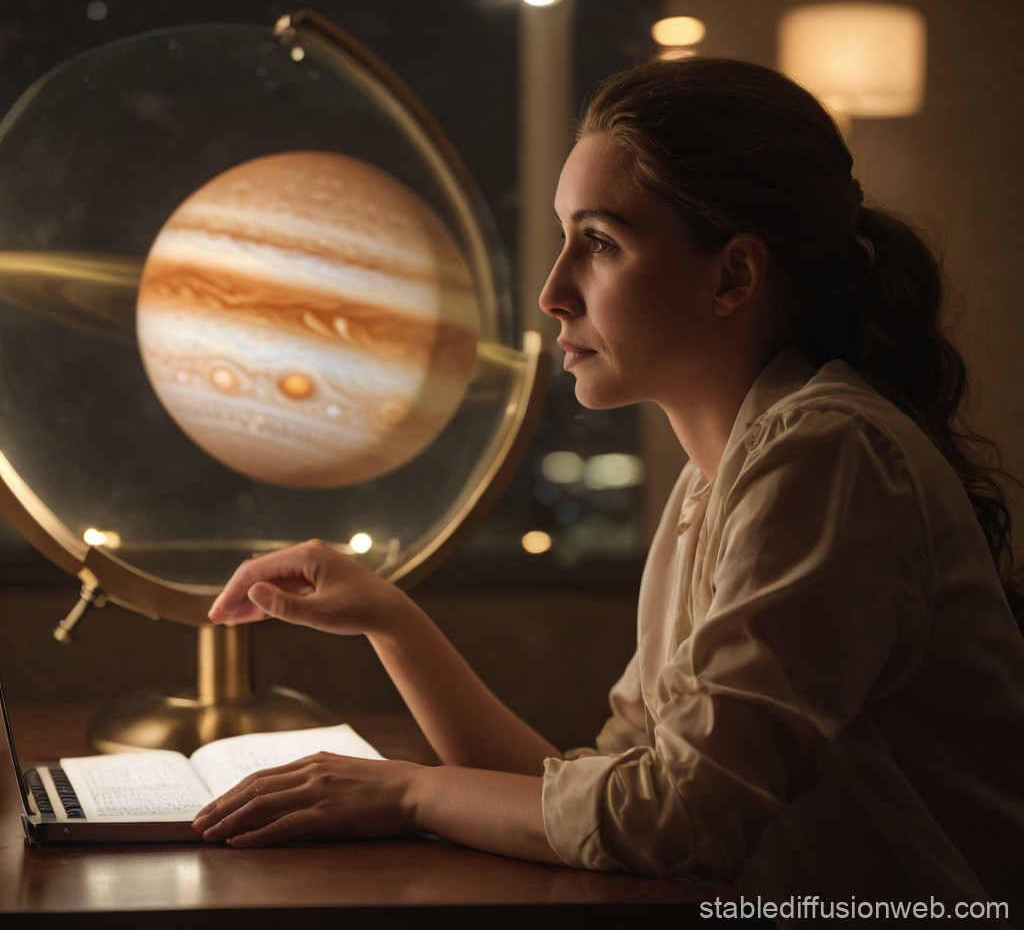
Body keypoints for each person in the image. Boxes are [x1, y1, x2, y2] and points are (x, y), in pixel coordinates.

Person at [192, 57, 1024, 918]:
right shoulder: (715, 483)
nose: (553, 293)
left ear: (734, 276)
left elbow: (676, 820)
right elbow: (600, 793)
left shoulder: (828, 452)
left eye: (600, 243)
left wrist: (408, 791)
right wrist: (391, 622)